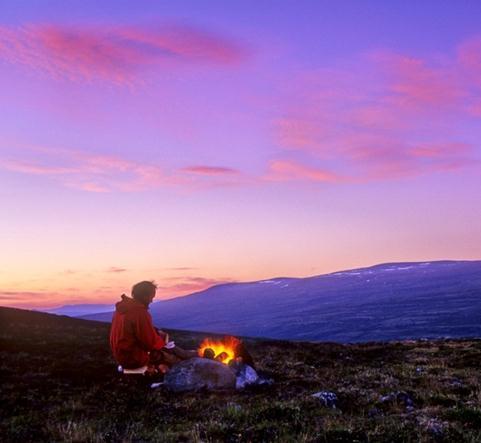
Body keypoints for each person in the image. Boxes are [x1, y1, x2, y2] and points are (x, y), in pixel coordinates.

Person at [110, 280, 196, 374]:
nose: (151, 300)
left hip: (121, 355)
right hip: (133, 358)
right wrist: (162, 342)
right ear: (144, 296)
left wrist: (157, 333)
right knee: (173, 359)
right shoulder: (139, 312)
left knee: (161, 339)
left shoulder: (122, 309)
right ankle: (184, 360)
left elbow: (137, 332)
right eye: (151, 297)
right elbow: (149, 343)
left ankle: (183, 354)